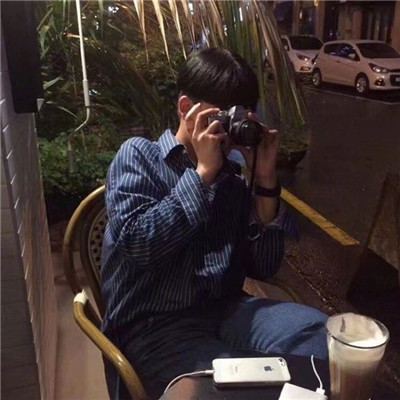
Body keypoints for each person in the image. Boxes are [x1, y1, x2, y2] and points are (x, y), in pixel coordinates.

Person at [101, 47, 328, 400]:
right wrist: (202, 174)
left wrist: (265, 180)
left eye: (239, 118)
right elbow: (140, 246)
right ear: (185, 108)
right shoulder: (139, 156)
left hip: (227, 309)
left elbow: (264, 267)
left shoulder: (233, 181)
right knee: (242, 390)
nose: (228, 132)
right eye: (222, 116)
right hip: (153, 328)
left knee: (321, 336)